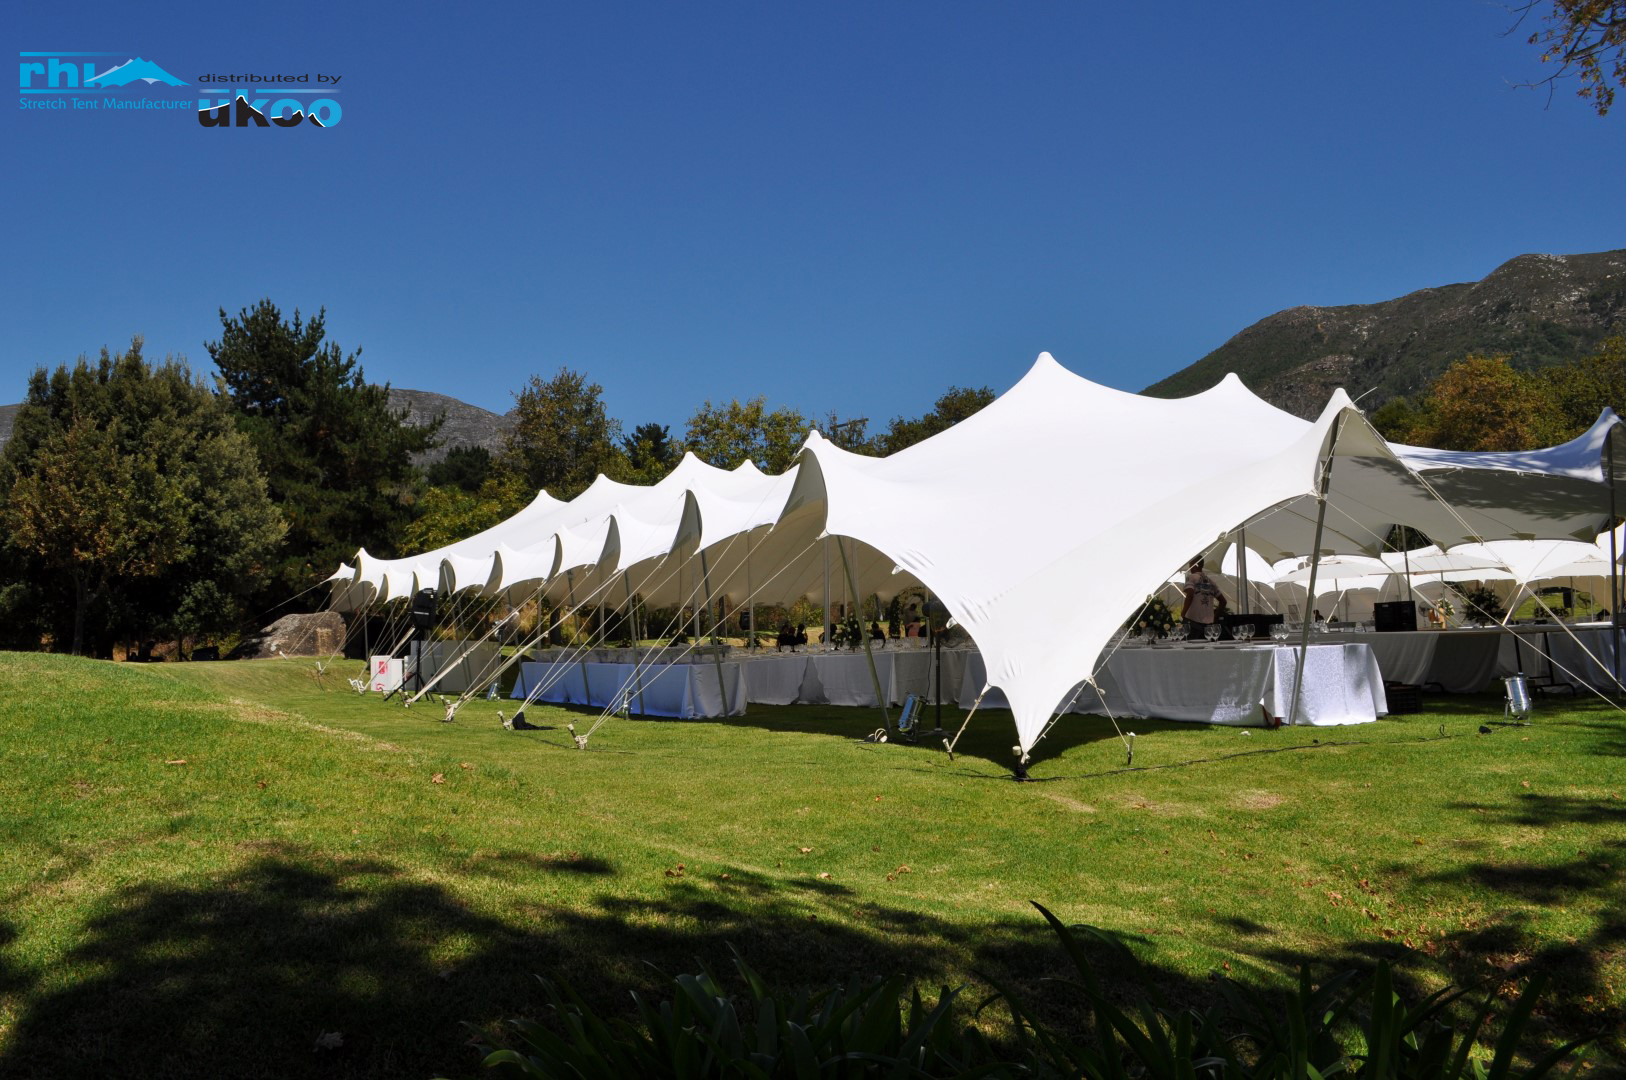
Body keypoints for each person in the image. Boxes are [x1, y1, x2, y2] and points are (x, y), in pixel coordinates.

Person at [1180, 557, 1227, 638]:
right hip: (1209, 624)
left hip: (1193, 622)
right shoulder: (1211, 582)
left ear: (1195, 565)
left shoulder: (1191, 577)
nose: (1190, 568)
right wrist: (1214, 618)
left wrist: (1183, 613)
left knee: (1191, 648)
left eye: (1190, 565)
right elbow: (1223, 602)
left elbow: (1190, 595)